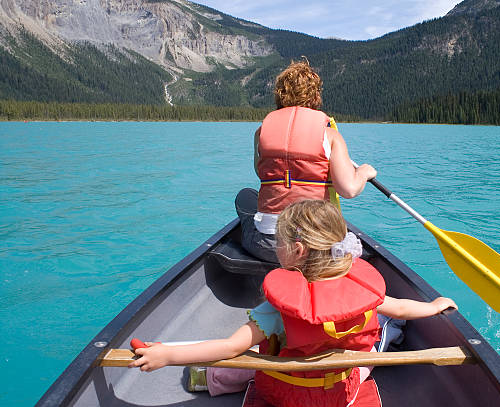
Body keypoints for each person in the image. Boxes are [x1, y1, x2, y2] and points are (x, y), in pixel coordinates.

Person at [130, 200, 457, 407]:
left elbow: (230, 347)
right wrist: (433, 306)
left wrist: (167, 354)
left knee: (257, 355)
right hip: (338, 394)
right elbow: (399, 308)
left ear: (297, 251)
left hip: (285, 395)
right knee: (369, 349)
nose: (277, 247)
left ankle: (211, 380)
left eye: (280, 242)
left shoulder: (277, 309)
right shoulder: (360, 292)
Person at [235, 59, 377, 263]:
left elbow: (262, 172)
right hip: (317, 250)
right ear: (315, 96)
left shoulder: (261, 132)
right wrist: (363, 172)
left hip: (270, 248)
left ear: (279, 95)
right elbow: (349, 190)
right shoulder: (329, 135)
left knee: (245, 196)